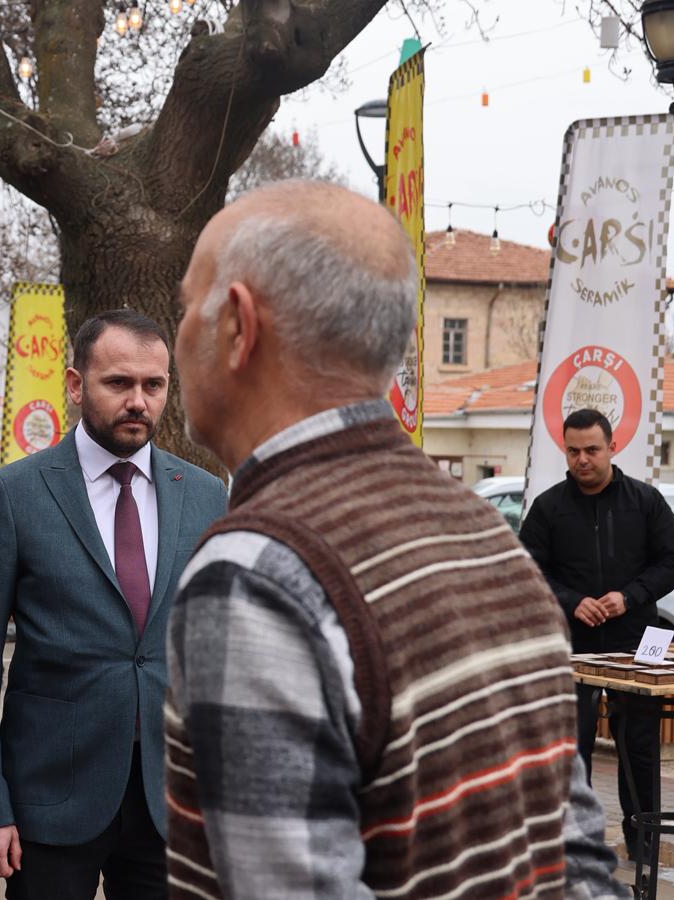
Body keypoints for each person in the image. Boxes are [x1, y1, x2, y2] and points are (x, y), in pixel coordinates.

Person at [166, 179, 625, 899]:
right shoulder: (490, 539)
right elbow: (578, 859)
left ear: (238, 328)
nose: (178, 335)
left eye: (186, 306)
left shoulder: (255, 573)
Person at [0, 310, 227, 900]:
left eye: (153, 385)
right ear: (76, 385)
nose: (138, 401)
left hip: (171, 801)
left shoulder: (207, 497)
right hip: (49, 797)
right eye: (118, 383)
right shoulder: (14, 495)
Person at [520, 407, 674, 859]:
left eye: (592, 450)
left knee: (639, 748)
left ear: (613, 447)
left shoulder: (645, 501)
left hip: (637, 644)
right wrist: (571, 601)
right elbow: (526, 570)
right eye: (573, 451)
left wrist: (629, 597)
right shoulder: (549, 508)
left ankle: (644, 846)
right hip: (571, 646)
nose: (582, 459)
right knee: (572, 749)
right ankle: (578, 847)